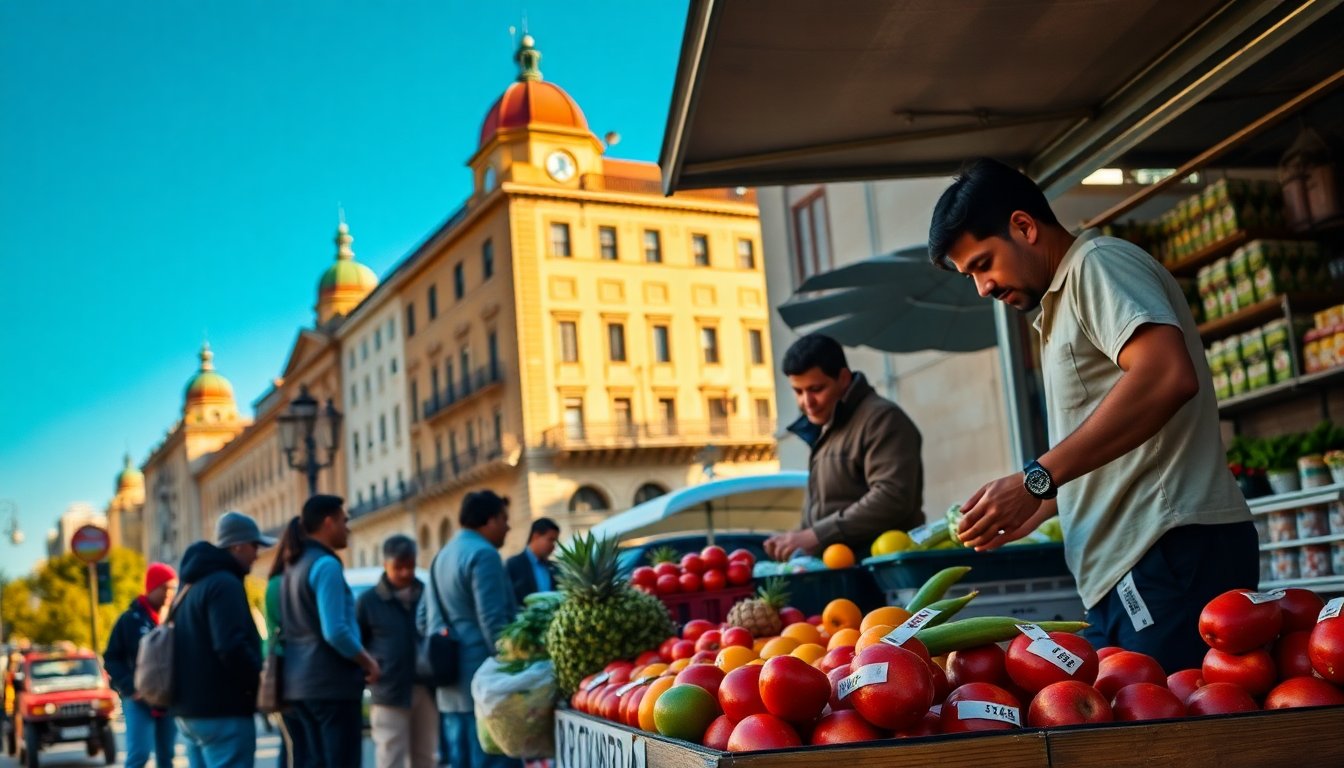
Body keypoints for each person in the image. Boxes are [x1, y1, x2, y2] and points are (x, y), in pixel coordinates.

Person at [928, 157, 1257, 672]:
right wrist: (1030, 507)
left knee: (1172, 743)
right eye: (970, 275)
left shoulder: (1097, 264)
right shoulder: (1058, 305)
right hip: (1128, 569)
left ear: (1024, 226)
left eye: (983, 264)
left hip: (1164, 552)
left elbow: (1168, 375)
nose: (983, 289)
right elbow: (1117, 444)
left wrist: (1035, 479)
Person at [764, 333, 925, 560]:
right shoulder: (826, 426)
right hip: (841, 568)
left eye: (816, 389)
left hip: (879, 573)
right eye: (798, 391)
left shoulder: (882, 419)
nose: (806, 402)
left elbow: (892, 497)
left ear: (844, 378)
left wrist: (815, 535)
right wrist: (798, 537)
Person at [281, 495, 379, 768]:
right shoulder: (326, 565)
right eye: (343, 521)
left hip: (299, 684)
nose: (347, 528)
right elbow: (335, 630)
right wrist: (367, 661)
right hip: (330, 685)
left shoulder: (293, 565)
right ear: (328, 522)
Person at [425, 490, 520, 768]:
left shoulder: (441, 555)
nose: (508, 526)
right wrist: (513, 669)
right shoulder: (484, 554)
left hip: (449, 685)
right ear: (488, 521)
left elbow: (424, 618)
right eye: (504, 519)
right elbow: (494, 622)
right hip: (483, 683)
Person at [172, 511, 272, 768]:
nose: (257, 553)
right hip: (222, 709)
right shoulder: (224, 584)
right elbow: (230, 645)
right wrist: (257, 680)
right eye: (254, 545)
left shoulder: (190, 585)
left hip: (190, 710)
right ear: (237, 546)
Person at [357, 535, 437, 768]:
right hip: (388, 690)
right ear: (385, 565)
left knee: (427, 756)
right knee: (391, 756)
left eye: (409, 566)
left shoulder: (427, 595)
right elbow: (358, 644)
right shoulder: (368, 601)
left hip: (426, 687)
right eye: (398, 567)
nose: (404, 573)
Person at [103, 562, 179, 768]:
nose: (169, 593)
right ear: (152, 587)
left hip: (167, 699)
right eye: (165, 587)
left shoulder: (174, 617)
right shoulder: (129, 620)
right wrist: (131, 688)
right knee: (139, 755)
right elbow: (111, 658)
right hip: (138, 699)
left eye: (173, 588)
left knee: (167, 757)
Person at [264, 517, 310, 768]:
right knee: (301, 748)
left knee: (291, 744)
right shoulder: (288, 581)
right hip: (295, 671)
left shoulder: (276, 581)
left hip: (283, 672)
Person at [505, 517, 559, 604]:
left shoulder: (555, 568)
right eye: (551, 540)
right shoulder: (513, 565)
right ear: (536, 536)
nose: (553, 546)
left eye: (555, 541)